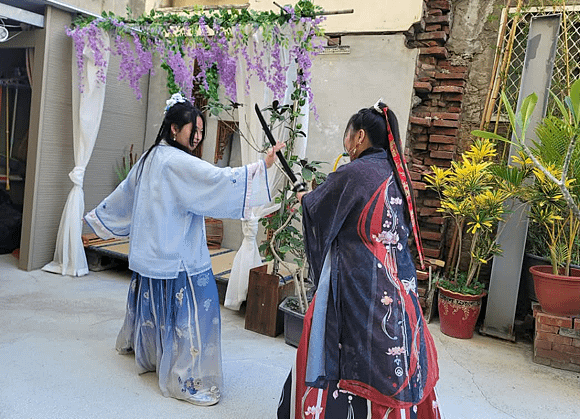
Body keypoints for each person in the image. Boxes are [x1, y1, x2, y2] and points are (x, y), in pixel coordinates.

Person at [84, 93, 284, 406]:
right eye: (194, 130)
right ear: (174, 129)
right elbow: (218, 180)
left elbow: (125, 194)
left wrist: (101, 218)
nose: (198, 136)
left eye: (201, 131)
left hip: (151, 253)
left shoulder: (151, 156)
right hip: (178, 254)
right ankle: (185, 376)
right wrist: (261, 167)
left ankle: (150, 354)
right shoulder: (179, 162)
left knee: (154, 310)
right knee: (195, 312)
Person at [277, 100, 441, 419]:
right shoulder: (399, 175)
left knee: (332, 342)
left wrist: (304, 199)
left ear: (360, 136)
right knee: (394, 353)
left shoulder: (354, 172)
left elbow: (317, 210)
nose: (347, 143)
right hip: (396, 282)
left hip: (357, 279)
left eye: (348, 135)